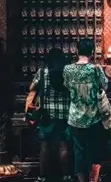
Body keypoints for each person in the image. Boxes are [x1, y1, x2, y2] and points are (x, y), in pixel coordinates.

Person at [63, 38, 108, 182]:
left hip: (75, 117)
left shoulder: (68, 69)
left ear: (77, 51)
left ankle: (82, 179)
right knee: (94, 150)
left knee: (79, 151)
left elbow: (67, 86)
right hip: (93, 116)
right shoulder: (96, 69)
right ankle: (94, 179)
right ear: (92, 52)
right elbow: (105, 86)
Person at [29, 48, 73, 182]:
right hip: (65, 114)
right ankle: (66, 175)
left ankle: (42, 176)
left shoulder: (42, 72)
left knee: (45, 146)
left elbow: (32, 88)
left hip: (46, 114)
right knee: (63, 145)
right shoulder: (67, 74)